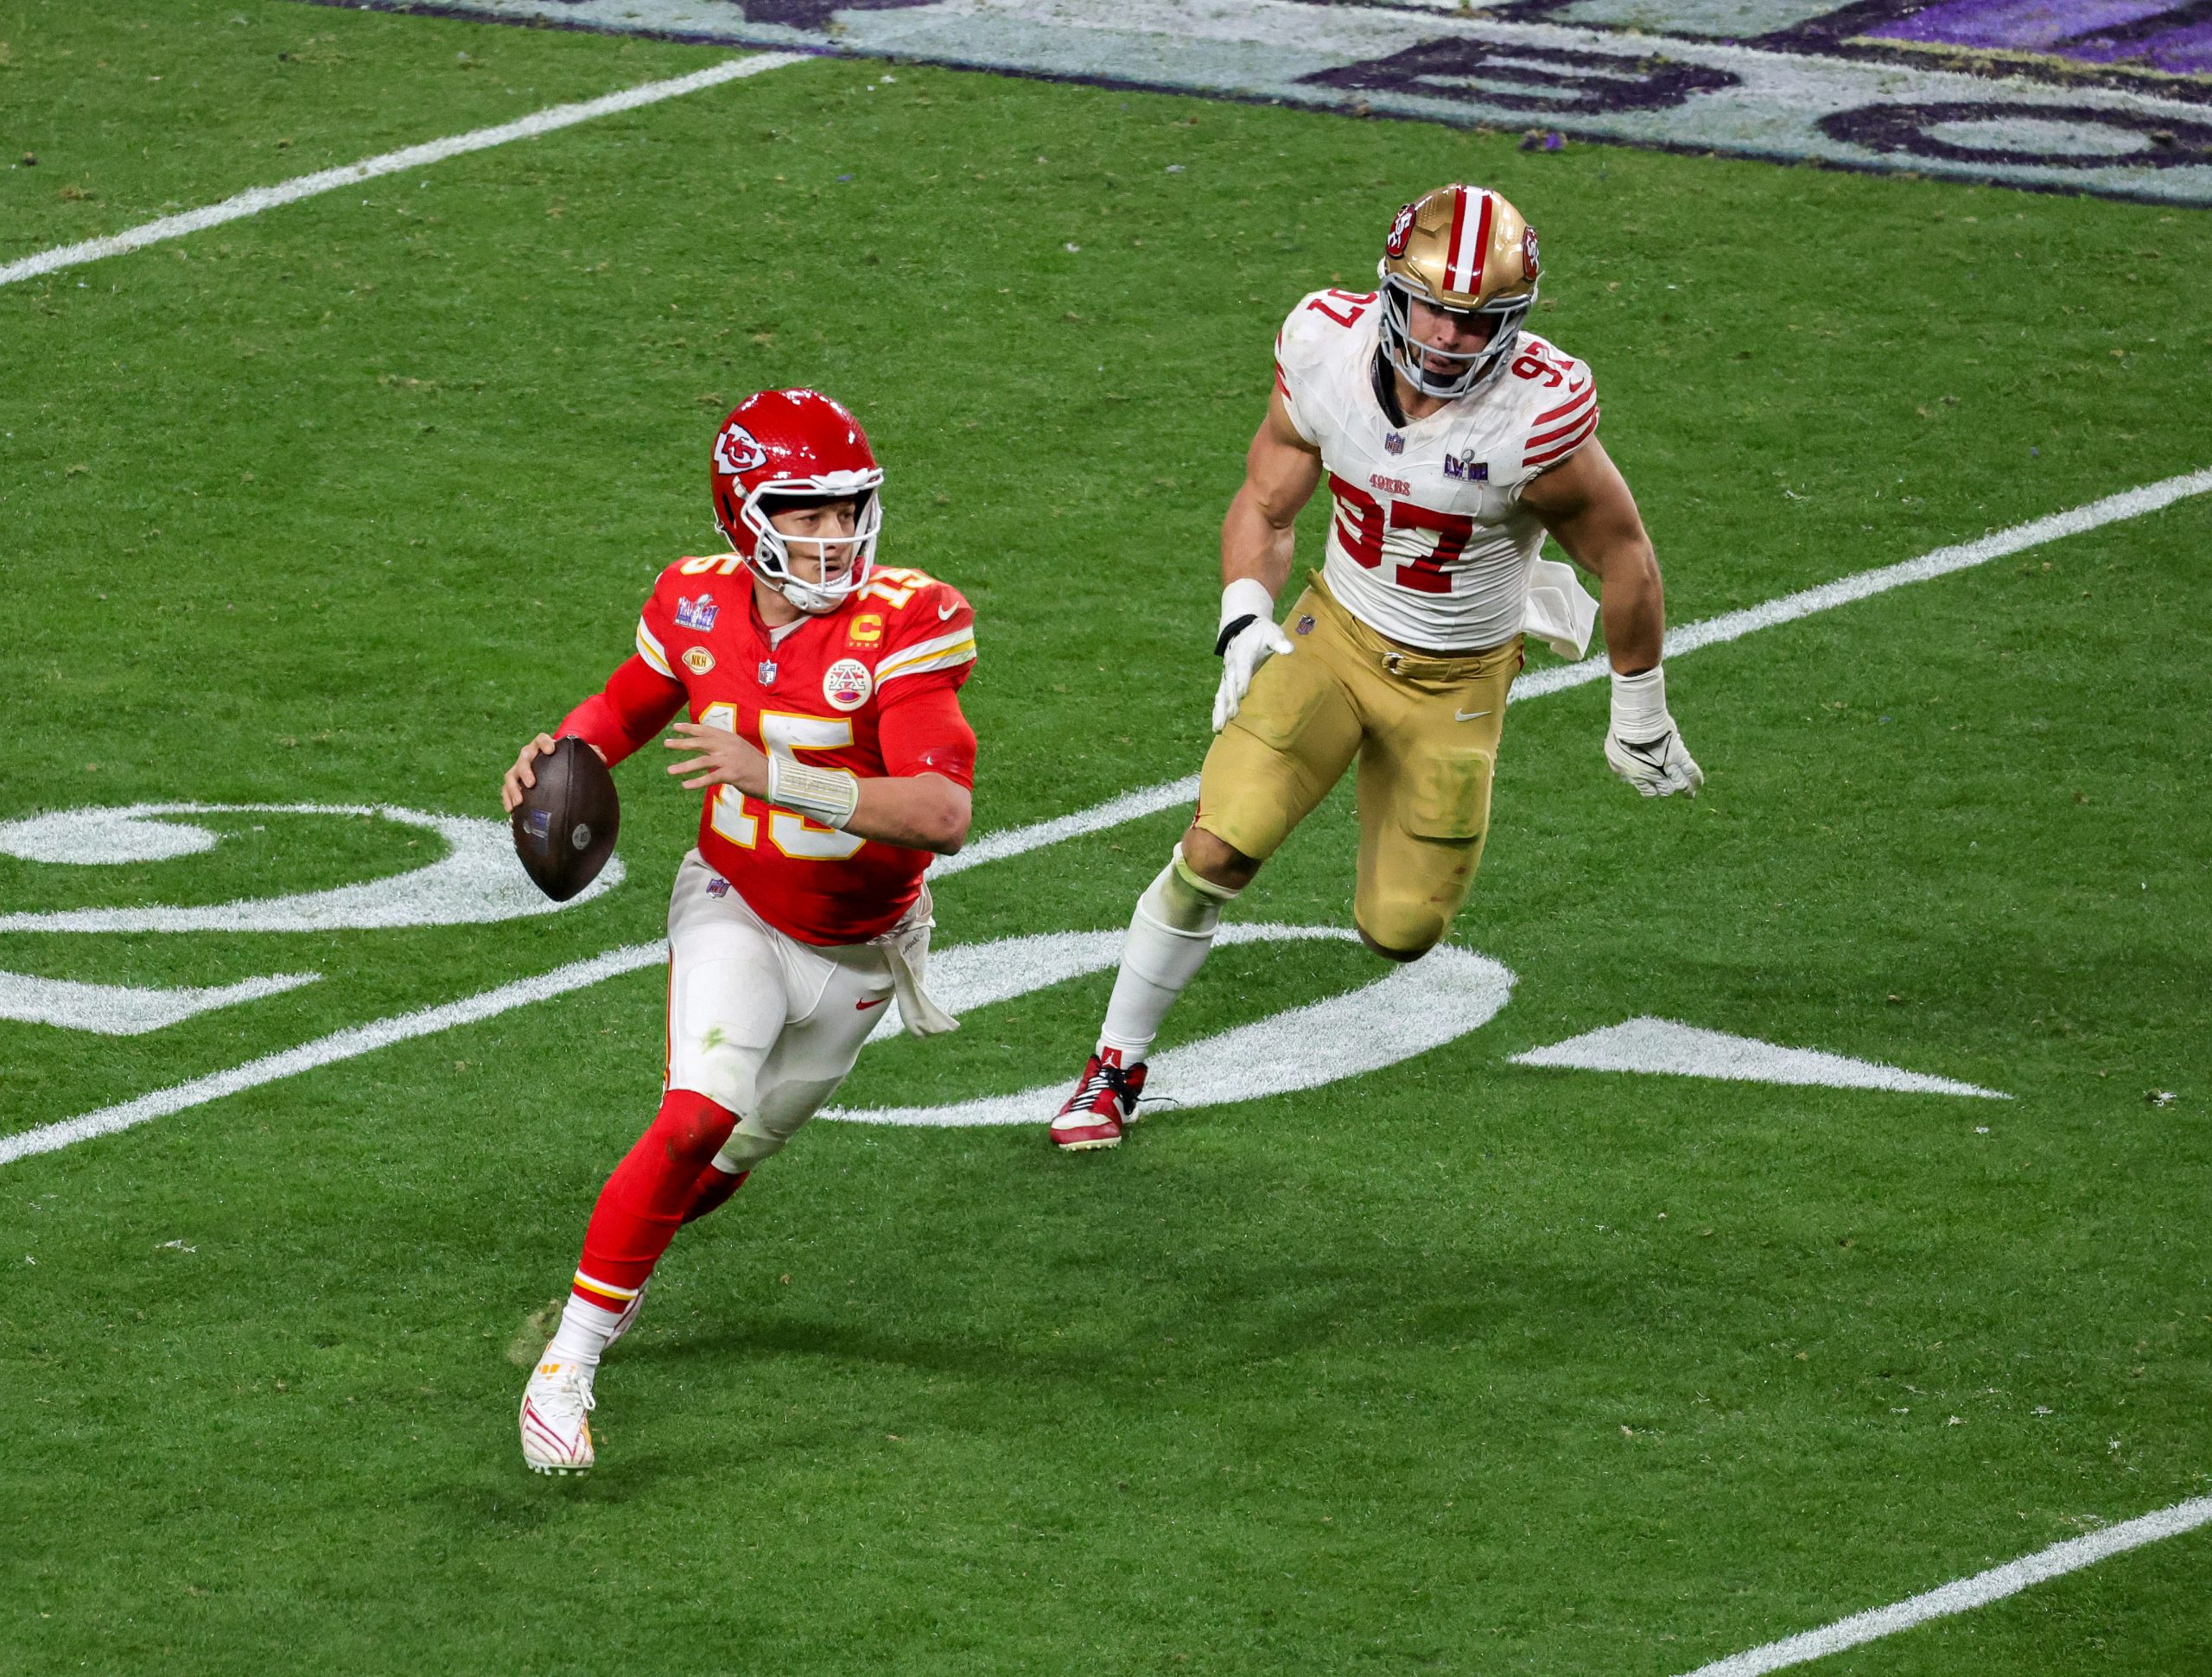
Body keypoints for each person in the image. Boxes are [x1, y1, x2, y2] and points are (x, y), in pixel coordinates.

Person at [1049, 182, 1701, 1152]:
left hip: (1459, 679)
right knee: (1217, 848)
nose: (1446, 336)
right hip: (1337, 638)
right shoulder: (1324, 347)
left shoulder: (1538, 412)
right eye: (1433, 306)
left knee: (1401, 931)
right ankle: (1111, 1068)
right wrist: (1242, 617)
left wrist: (1638, 705)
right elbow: (1268, 504)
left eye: (1478, 320)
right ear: (1392, 290)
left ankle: (1501, 633)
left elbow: (1627, 556)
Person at [505, 388, 979, 1472]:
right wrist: (559, 751)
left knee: (716, 1169)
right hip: (734, 903)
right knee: (689, 1120)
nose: (836, 534)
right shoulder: (695, 600)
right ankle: (565, 1369)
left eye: (849, 508)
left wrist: (780, 775)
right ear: (743, 512)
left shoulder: (905, 621)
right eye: (806, 513)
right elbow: (628, 705)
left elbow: (942, 812)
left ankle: (613, 1271)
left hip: (866, 947)